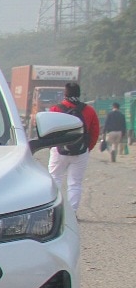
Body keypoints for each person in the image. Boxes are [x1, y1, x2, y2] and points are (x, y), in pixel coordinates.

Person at [48, 82, 100, 214]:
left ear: (65, 94)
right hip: (80, 151)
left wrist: (52, 147)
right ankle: (72, 213)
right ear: (79, 93)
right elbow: (95, 132)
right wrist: (87, 148)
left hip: (59, 151)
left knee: (55, 178)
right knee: (75, 183)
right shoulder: (89, 110)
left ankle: (55, 212)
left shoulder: (55, 109)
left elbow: (48, 131)